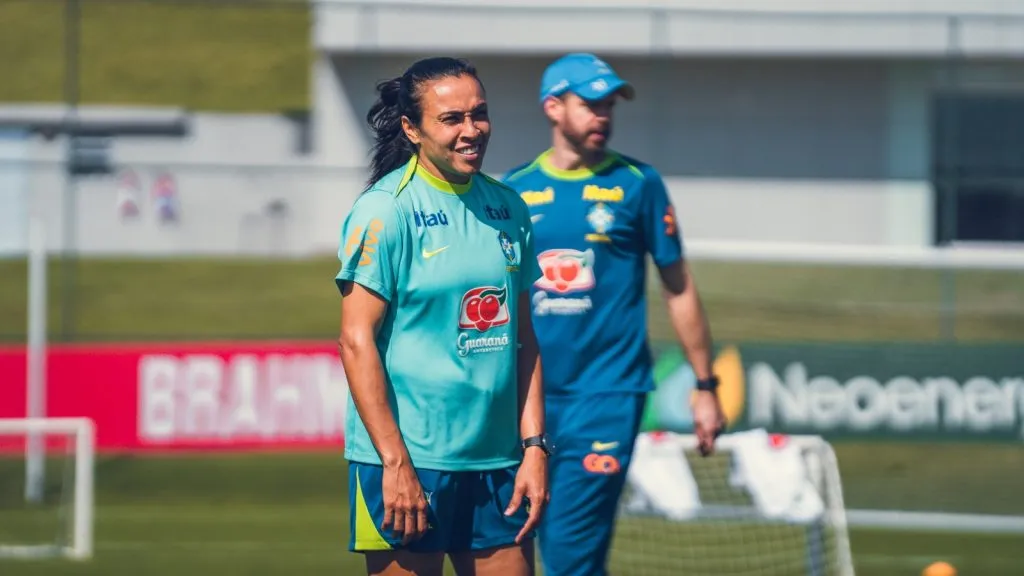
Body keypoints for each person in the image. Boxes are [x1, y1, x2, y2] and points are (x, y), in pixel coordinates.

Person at [502, 53, 726, 576]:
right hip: (523, 398)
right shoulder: (512, 190)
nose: (602, 115)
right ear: (553, 108)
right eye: (589, 103)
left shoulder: (638, 185)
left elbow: (679, 287)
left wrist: (706, 384)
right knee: (516, 547)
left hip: (607, 397)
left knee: (571, 552)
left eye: (609, 105)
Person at [335, 56, 550, 576]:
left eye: (479, 114)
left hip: (498, 465)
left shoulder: (509, 208)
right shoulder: (386, 210)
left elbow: (524, 339)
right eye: (451, 119)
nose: (471, 131)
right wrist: (395, 463)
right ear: (411, 129)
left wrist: (535, 448)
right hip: (409, 464)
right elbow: (355, 340)